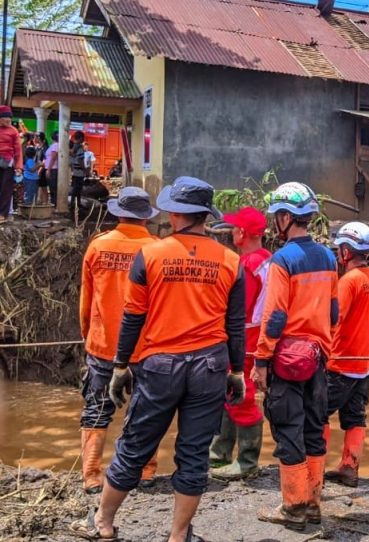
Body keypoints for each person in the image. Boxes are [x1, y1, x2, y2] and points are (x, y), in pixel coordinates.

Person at [70, 177, 246, 542]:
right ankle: (178, 535)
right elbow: (234, 324)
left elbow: (134, 316)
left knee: (135, 444)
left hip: (160, 364)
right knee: (194, 453)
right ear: (204, 215)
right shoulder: (231, 260)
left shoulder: (149, 255)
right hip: (210, 366)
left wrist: (120, 365)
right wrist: (238, 370)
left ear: (175, 213)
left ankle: (102, 523)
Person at [254, 182, 339, 532]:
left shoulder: (283, 260)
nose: (276, 222)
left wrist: (261, 360)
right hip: (318, 358)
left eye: (278, 216)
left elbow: (275, 317)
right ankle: (314, 504)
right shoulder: (329, 257)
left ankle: (293, 508)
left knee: (288, 432)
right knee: (314, 430)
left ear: (286, 218)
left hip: (287, 361)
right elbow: (333, 312)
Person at [78, 187, 160, 495]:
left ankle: (90, 475)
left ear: (118, 214)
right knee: (146, 410)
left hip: (102, 345)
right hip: (146, 347)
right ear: (146, 218)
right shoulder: (156, 249)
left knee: (96, 408)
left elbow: (86, 298)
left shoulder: (98, 247)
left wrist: (87, 333)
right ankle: (146, 471)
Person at [209, 206, 271, 480]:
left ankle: (246, 462)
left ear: (243, 233)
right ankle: (219, 454)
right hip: (258, 336)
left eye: (235, 228)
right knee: (230, 393)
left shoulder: (245, 265)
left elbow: (238, 309)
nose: (231, 231)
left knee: (240, 395)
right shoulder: (269, 259)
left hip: (245, 338)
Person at [323, 221, 369, 488]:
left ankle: (313, 475)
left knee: (317, 414)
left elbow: (334, 320)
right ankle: (349, 468)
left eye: (340, 249)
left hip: (341, 363)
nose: (338, 254)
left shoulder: (349, 281)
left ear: (347, 251)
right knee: (355, 417)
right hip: (365, 365)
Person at [0, 105, 22, 222]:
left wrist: (19, 167)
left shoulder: (13, 131)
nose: (9, 120)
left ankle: (3, 215)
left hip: (7, 163)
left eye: (9, 118)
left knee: (6, 189)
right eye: (6, 118)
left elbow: (18, 151)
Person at [70, 131, 86, 215]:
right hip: (79, 171)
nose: (84, 139)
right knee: (78, 188)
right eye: (83, 138)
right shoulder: (79, 148)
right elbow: (80, 160)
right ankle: (76, 203)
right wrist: (85, 169)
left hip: (74, 170)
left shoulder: (72, 146)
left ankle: (74, 203)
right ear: (80, 138)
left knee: (75, 188)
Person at [34, 132, 50, 206]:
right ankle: (39, 200)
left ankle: (45, 202)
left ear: (39, 138)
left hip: (42, 170)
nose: (34, 138)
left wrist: (39, 170)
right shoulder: (37, 147)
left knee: (43, 187)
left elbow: (44, 160)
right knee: (38, 186)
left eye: (36, 137)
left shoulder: (45, 148)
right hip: (37, 169)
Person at [45, 132, 59, 207]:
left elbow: (53, 157)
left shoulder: (55, 145)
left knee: (53, 187)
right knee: (51, 187)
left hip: (53, 169)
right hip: (51, 168)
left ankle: (54, 204)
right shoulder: (53, 145)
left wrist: (49, 169)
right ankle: (54, 203)